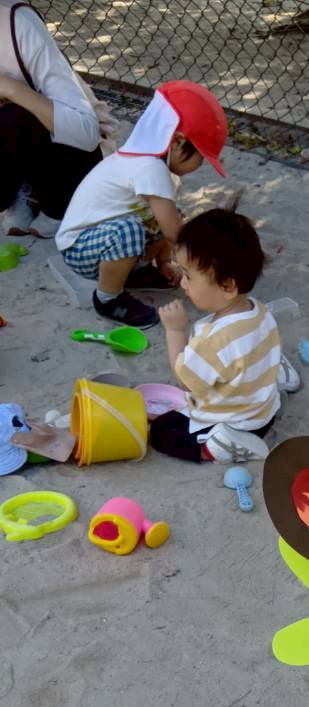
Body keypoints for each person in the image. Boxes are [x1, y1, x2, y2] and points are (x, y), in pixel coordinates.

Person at [55, 80, 227, 329]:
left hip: (102, 242)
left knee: (170, 214)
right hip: (79, 248)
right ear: (177, 142)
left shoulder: (155, 166)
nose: (199, 166)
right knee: (129, 230)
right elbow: (174, 234)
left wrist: (164, 262)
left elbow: (167, 223)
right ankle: (107, 299)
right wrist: (204, 271)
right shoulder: (149, 167)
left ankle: (136, 272)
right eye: (201, 159)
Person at [153, 207, 282, 465]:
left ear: (227, 286)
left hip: (232, 425)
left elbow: (185, 382)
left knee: (161, 431)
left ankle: (214, 449)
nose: (183, 284)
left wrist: (175, 331)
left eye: (188, 276)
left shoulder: (214, 341)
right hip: (264, 414)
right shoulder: (259, 311)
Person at [0, 0, 108, 238]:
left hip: (66, 154)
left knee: (12, 115)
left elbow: (86, 133)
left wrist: (11, 89)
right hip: (14, 145)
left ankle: (58, 202)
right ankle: (21, 188)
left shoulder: (18, 23)